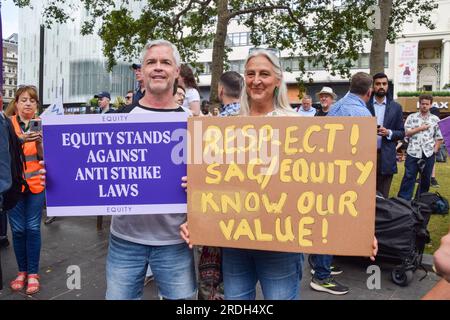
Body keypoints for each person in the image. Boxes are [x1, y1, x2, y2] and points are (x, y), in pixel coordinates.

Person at [182, 49, 304, 300]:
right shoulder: (228, 125)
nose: (256, 80)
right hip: (236, 240)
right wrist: (197, 184)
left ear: (278, 80)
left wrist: (358, 232)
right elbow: (216, 177)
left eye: (264, 74)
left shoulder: (297, 124)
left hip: (280, 245)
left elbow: (322, 182)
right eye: (250, 74)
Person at [106, 39, 196, 300]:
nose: (158, 68)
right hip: (124, 240)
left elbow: (209, 185)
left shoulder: (194, 124)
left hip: (176, 241)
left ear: (177, 71)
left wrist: (199, 212)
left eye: (165, 62)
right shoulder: (118, 119)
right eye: (151, 62)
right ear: (142, 72)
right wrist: (59, 178)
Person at [309, 72, 375, 296]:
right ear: (369, 92)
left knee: (323, 221)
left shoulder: (335, 108)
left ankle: (319, 262)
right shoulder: (362, 114)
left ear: (349, 86)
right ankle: (321, 276)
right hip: (344, 177)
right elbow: (367, 151)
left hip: (325, 173)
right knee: (332, 225)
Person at [7, 86, 45, 295]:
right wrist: (19, 140)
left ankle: (33, 273)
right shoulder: (7, 125)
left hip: (36, 186)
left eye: (32, 100)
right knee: (18, 230)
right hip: (13, 187)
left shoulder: (43, 125)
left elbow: (47, 158)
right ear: (17, 103)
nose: (28, 103)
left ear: (36, 105)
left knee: (32, 228)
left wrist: (40, 144)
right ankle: (22, 271)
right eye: (24, 100)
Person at [366, 73, 405, 198]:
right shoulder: (364, 105)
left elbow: (401, 132)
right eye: (378, 84)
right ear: (373, 86)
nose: (381, 86)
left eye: (384, 84)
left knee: (383, 195)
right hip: (366, 154)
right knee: (365, 193)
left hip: (387, 155)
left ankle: (381, 217)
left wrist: (389, 133)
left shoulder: (396, 107)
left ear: (388, 86)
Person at [397, 94, 443, 200]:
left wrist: (435, 150)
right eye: (422, 104)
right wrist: (420, 128)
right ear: (419, 104)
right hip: (413, 152)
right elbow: (407, 133)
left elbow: (439, 137)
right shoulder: (411, 117)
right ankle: (404, 200)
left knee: (426, 179)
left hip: (428, 153)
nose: (424, 106)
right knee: (409, 176)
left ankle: (420, 200)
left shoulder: (435, 119)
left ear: (431, 105)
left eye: (427, 104)